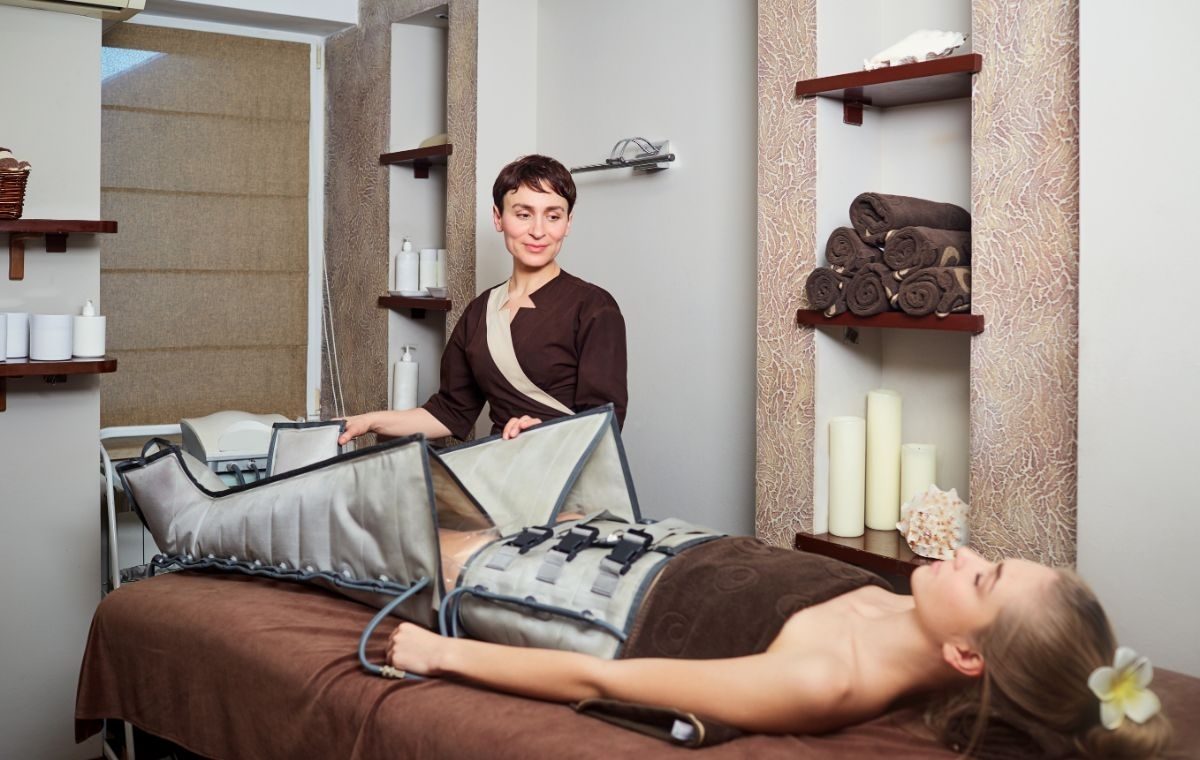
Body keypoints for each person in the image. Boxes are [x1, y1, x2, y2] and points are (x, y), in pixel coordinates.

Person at [387, 546, 1173, 759]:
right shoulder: (915, 613)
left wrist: (440, 656)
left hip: (603, 596)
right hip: (667, 544)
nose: (965, 553)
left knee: (409, 538)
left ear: (969, 657)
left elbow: (600, 677)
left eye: (983, 577)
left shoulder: (826, 681)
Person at [339, 154, 627, 445]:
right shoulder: (479, 311)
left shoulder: (594, 307)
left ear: (568, 223)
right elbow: (450, 411)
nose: (538, 231)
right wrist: (370, 421)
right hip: (499, 464)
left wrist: (546, 431)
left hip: (565, 466)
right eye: (523, 214)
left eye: (553, 216)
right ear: (498, 217)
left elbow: (605, 421)